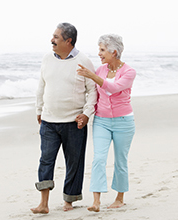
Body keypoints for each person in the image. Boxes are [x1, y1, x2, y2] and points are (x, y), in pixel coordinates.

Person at [31, 23, 97, 214]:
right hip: (49, 121)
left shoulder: (84, 61)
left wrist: (86, 113)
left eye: (56, 37)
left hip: (73, 123)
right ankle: (43, 204)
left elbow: (93, 91)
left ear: (68, 41)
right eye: (53, 36)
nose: (52, 40)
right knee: (46, 160)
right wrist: (39, 110)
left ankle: (70, 200)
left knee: (74, 162)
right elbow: (41, 86)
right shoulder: (46, 59)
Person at [77, 34, 136, 212]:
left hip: (124, 122)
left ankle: (119, 198)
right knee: (99, 159)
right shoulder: (100, 71)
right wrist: (85, 113)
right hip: (101, 121)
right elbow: (94, 95)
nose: (99, 54)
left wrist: (92, 76)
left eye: (102, 50)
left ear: (114, 52)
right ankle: (96, 201)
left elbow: (113, 87)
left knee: (120, 161)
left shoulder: (129, 72)